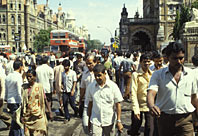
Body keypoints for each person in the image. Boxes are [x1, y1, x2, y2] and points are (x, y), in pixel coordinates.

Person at [147, 42, 198, 136]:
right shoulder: (158, 75)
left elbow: (194, 98)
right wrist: (151, 106)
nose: (178, 61)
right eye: (175, 58)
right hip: (165, 119)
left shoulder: (191, 74)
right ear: (167, 58)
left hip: (185, 119)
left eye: (181, 58)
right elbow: (151, 92)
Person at [87, 64, 124, 135]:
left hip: (109, 120)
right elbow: (90, 104)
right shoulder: (91, 87)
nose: (97, 78)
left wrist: (119, 121)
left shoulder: (113, 86)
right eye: (95, 76)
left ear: (105, 73)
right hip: (96, 120)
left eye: (99, 75)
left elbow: (118, 104)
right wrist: (89, 121)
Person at [127, 53, 152, 136]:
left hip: (149, 105)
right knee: (135, 127)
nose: (147, 64)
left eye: (148, 62)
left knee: (149, 127)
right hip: (138, 105)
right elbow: (133, 92)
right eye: (145, 62)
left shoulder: (152, 74)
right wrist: (135, 109)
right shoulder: (136, 75)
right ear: (141, 62)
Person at [22, 69, 52, 136]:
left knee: (39, 132)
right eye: (27, 76)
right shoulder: (24, 87)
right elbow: (22, 102)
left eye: (30, 76)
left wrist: (49, 112)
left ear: (35, 77)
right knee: (27, 133)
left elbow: (44, 99)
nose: (28, 78)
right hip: (27, 115)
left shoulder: (39, 87)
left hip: (38, 114)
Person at [5, 60, 24, 136]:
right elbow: (20, 91)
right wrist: (21, 102)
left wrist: (6, 99)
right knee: (17, 123)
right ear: (20, 67)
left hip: (10, 101)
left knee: (14, 120)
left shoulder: (8, 76)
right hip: (16, 101)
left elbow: (6, 89)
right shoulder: (18, 76)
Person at [36, 56, 54, 120]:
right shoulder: (50, 69)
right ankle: (49, 113)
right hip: (48, 88)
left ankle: (43, 114)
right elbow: (51, 80)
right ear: (47, 61)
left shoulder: (37, 69)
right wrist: (52, 89)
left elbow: (36, 80)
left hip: (39, 88)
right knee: (48, 101)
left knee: (41, 102)